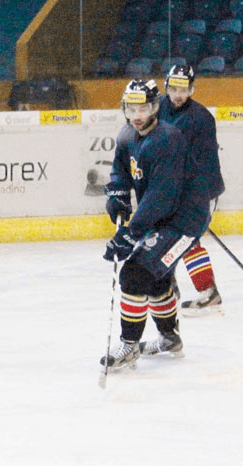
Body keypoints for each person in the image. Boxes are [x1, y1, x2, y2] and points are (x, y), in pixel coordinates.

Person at [101, 79, 210, 370]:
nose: (137, 116)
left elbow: (161, 196)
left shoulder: (168, 140)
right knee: (155, 276)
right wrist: (117, 195)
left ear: (154, 108)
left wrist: (130, 234)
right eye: (131, 109)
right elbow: (120, 172)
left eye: (143, 109)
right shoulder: (127, 135)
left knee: (134, 274)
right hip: (163, 216)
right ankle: (169, 338)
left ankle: (129, 346)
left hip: (185, 219)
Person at [158, 64, 225, 313]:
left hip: (199, 191)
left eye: (183, 89)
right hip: (169, 190)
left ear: (192, 89)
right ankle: (166, 285)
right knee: (162, 239)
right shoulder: (157, 109)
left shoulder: (201, 118)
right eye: (174, 88)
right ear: (166, 87)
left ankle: (208, 293)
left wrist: (193, 197)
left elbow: (205, 165)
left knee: (186, 240)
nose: (178, 94)